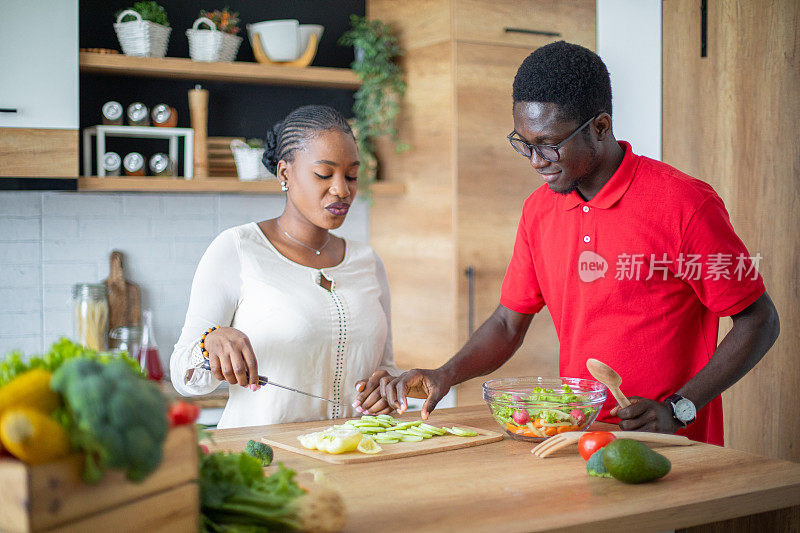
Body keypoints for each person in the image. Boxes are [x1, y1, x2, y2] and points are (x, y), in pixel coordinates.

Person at [355, 42, 780, 445]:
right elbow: (507, 323)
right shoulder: (538, 211)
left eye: (549, 145)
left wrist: (680, 408)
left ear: (600, 127)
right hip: (577, 440)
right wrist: (445, 374)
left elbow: (759, 320)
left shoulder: (685, 204)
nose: (536, 161)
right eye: (525, 144)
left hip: (675, 448)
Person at [170, 105, 399, 428]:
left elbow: (386, 367)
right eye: (324, 174)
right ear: (284, 173)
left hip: (352, 461)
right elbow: (183, 375)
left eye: (351, 175)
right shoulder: (238, 249)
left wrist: (385, 387)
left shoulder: (367, 261)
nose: (342, 190)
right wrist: (211, 343)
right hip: (263, 464)